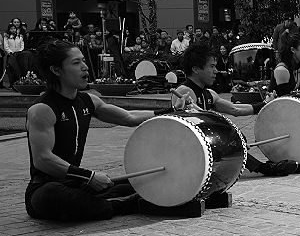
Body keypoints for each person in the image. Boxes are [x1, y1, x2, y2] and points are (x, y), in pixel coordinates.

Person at [25, 40, 192, 221]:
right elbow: (43, 160)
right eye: (76, 63)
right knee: (53, 195)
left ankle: (113, 202)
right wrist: (90, 176)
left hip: (78, 184)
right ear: (56, 70)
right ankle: (129, 204)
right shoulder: (42, 109)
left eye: (83, 60)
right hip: (46, 189)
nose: (85, 67)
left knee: (140, 179)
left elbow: (129, 117)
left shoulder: (88, 100)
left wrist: (171, 110)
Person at [174, 43, 298, 177]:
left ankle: (265, 167)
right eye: (212, 66)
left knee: (234, 138)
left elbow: (235, 109)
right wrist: (236, 137)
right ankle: (266, 169)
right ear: (196, 69)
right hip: (189, 149)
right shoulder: (184, 92)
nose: (216, 71)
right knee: (231, 138)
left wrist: (265, 104)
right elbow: (196, 120)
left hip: (204, 146)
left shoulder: (209, 93)